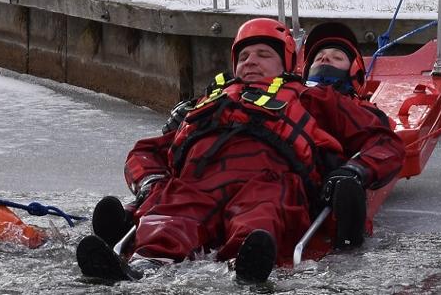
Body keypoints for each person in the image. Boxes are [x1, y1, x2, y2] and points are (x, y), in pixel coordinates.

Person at [78, 18, 403, 284]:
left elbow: (384, 141)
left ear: (286, 63)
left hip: (270, 177)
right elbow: (147, 151)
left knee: (261, 212)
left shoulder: (312, 98)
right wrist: (150, 185)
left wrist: (354, 171)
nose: (251, 61)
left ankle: (245, 264)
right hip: (198, 180)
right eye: (244, 56)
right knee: (173, 212)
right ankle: (147, 265)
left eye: (263, 54)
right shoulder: (208, 103)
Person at [300, 20, 370, 96]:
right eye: (318, 58)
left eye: (337, 57)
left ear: (357, 75)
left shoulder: (361, 108)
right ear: (306, 70)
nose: (325, 57)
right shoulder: (289, 99)